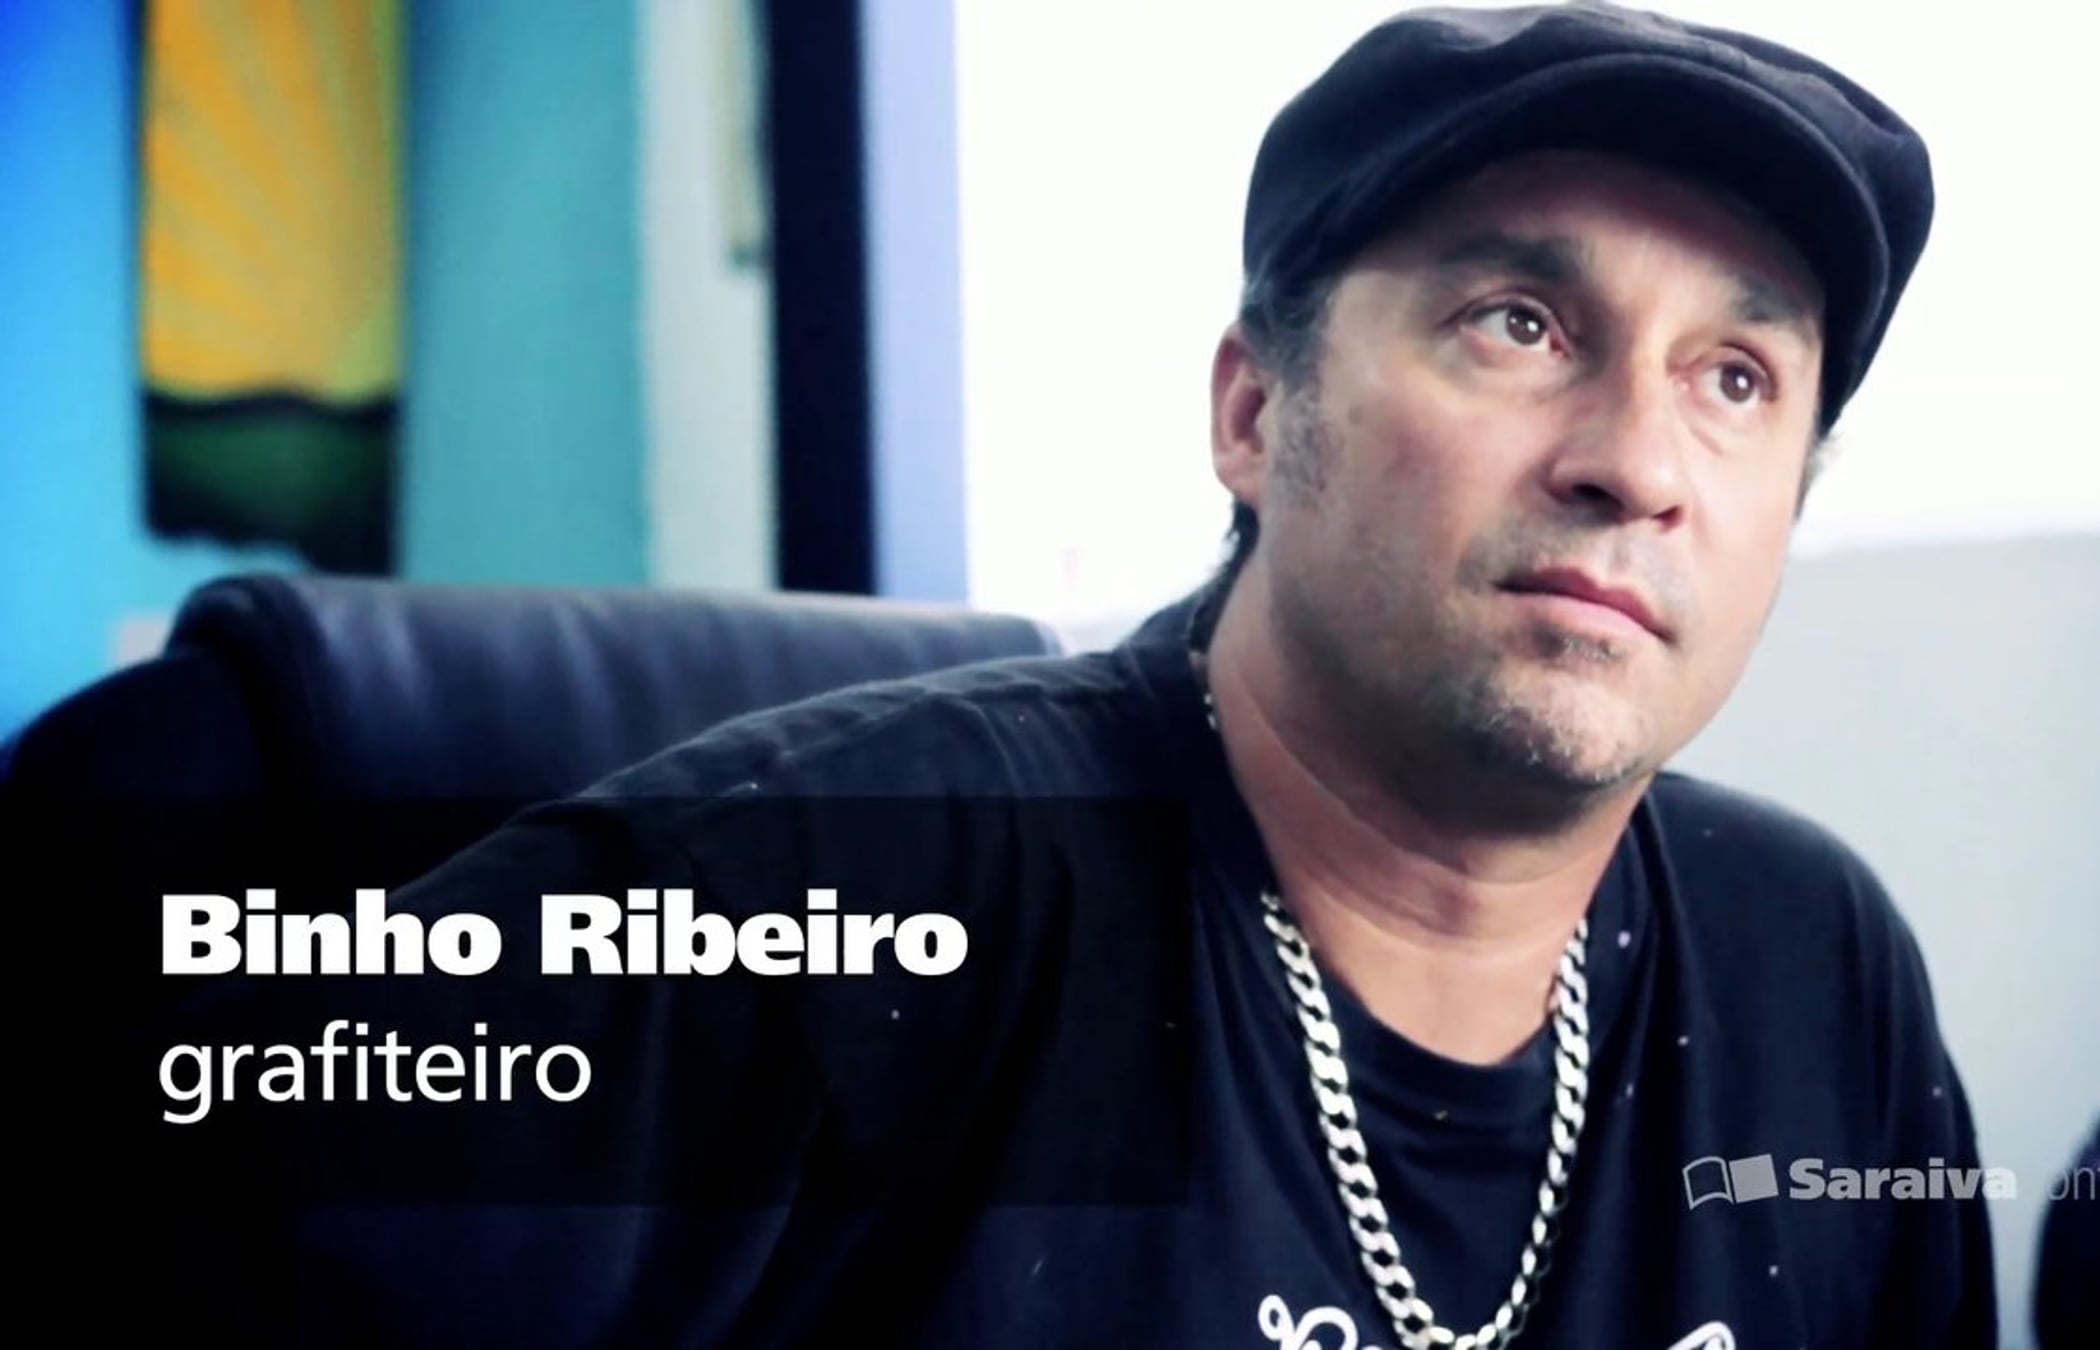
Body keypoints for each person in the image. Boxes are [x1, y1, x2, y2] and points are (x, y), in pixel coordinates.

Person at [137, 3, 1997, 1347]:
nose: (1639, 461)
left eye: (1737, 379)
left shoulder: (1813, 968)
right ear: (1255, 413)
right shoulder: (826, 910)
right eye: (1519, 323)